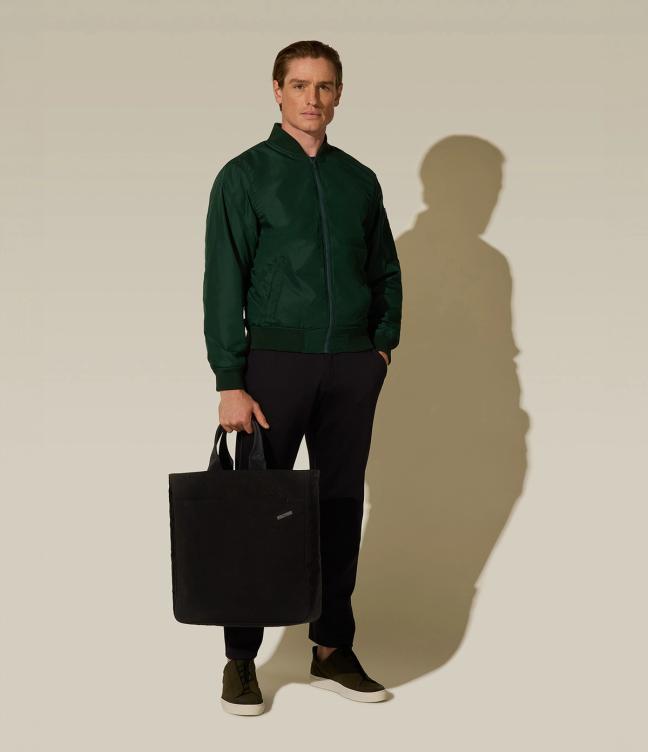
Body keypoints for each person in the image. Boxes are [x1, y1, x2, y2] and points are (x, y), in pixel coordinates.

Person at [203, 40, 402, 715]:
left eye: (324, 86)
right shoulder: (244, 176)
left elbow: (384, 269)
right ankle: (240, 659)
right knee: (258, 512)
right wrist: (231, 378)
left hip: (351, 366)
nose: (312, 98)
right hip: (274, 366)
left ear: (339, 94)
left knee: (340, 506)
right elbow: (223, 280)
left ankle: (332, 648)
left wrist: (380, 348)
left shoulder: (358, 180)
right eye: (299, 85)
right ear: (277, 91)